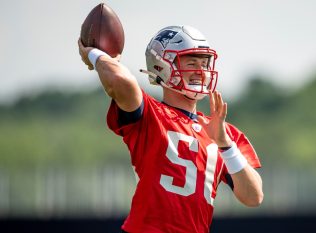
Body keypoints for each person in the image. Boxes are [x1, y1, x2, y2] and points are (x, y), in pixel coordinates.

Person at [78, 25, 263, 233]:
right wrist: (95, 54)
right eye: (192, 63)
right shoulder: (151, 114)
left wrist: (226, 145)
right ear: (161, 66)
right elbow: (119, 81)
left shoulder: (222, 131)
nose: (201, 71)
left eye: (204, 64)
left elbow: (253, 197)